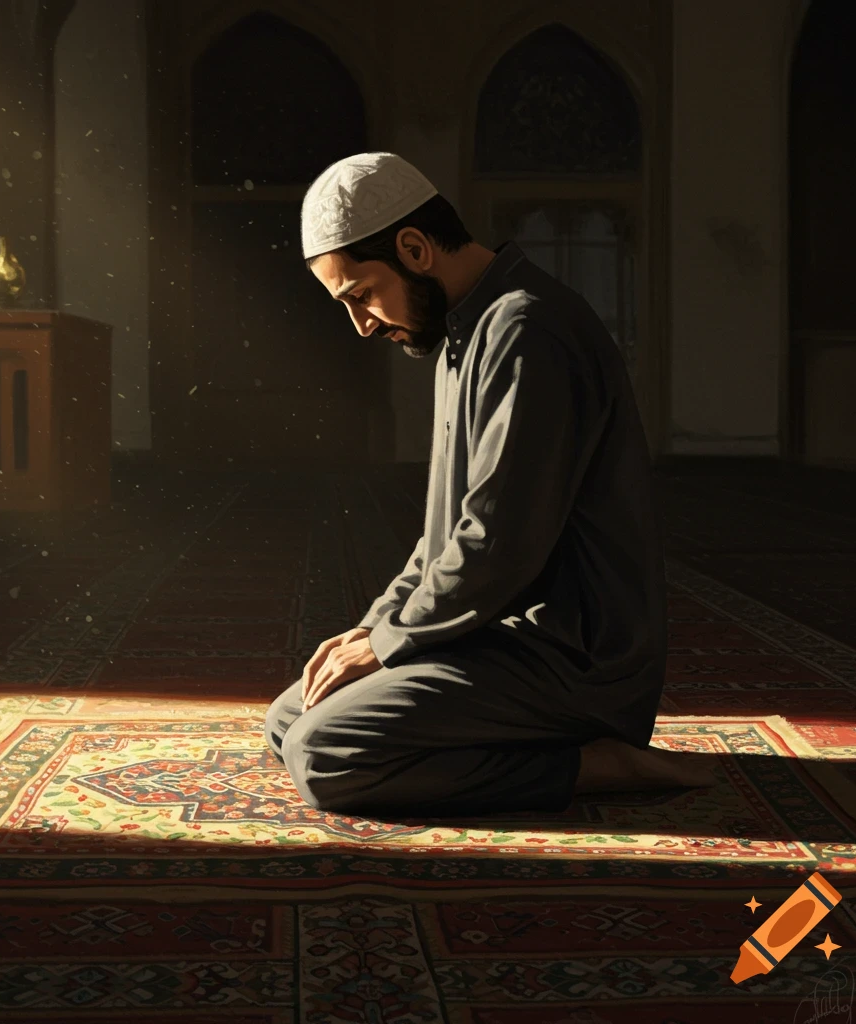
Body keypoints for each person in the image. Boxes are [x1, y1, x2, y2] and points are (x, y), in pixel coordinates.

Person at [264, 152, 714, 816]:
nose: (361, 324)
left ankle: (587, 762)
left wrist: (388, 644)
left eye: (360, 295)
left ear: (414, 248)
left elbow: (500, 543)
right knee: (290, 716)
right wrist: (373, 631)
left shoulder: (528, 328)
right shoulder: (463, 331)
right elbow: (441, 541)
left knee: (325, 753)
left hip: (569, 659)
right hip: (497, 636)